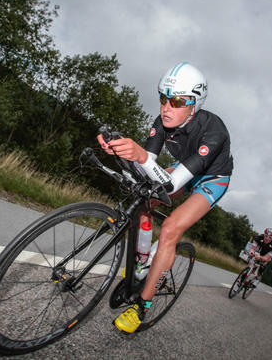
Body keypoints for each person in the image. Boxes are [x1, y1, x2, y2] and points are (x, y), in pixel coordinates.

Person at [97, 62, 233, 333]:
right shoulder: (161, 122)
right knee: (143, 197)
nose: (166, 108)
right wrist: (121, 151)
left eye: (177, 101)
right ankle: (142, 261)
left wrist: (141, 156)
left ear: (194, 105)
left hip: (211, 179)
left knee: (170, 228)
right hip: (183, 168)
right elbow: (145, 168)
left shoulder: (214, 131)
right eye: (163, 98)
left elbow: (171, 186)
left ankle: (142, 306)